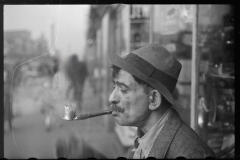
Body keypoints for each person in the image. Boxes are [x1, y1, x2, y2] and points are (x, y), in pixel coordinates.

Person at [108, 43, 216, 159]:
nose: (111, 98)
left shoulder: (190, 154)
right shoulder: (142, 142)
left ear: (153, 99)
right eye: (115, 87)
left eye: (123, 89)